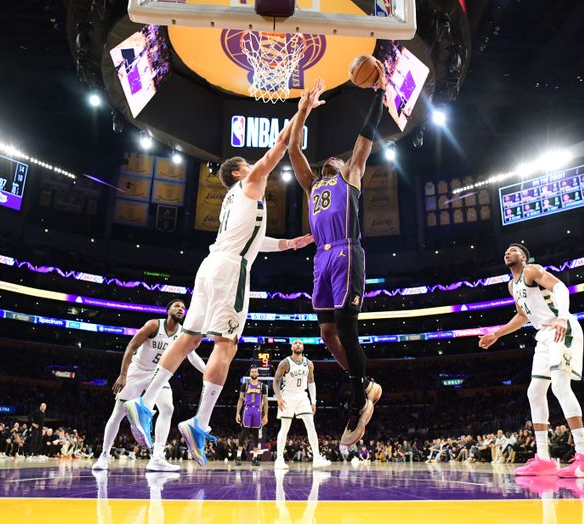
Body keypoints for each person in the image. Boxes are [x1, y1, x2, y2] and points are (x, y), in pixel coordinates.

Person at [123, 85, 321, 466]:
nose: (254, 165)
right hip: (231, 272)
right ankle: (198, 422)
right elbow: (280, 145)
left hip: (211, 265)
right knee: (226, 345)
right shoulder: (249, 183)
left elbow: (255, 241)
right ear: (237, 172)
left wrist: (291, 244)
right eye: (247, 163)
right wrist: (303, 111)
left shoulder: (233, 203)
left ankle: (144, 402)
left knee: (190, 337)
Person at [288, 75, 385, 447]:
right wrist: (302, 111)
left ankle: (358, 402)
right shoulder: (312, 185)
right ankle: (364, 384)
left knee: (347, 330)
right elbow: (294, 149)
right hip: (321, 259)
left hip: (347, 251)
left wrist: (378, 95)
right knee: (326, 334)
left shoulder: (352, 175)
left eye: (338, 158)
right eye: (329, 158)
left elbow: (366, 134)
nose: (335, 158)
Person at [479, 243, 584, 478]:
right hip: (543, 335)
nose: (507, 252)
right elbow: (522, 316)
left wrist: (563, 318)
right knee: (534, 392)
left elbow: (560, 287)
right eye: (505, 250)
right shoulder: (511, 285)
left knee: (559, 386)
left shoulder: (531, 270)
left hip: (560, 328)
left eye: (513, 250)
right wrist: (496, 334)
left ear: (523, 257)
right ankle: (544, 459)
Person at [94, 300, 206, 472]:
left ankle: (157, 457)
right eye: (177, 306)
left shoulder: (183, 334)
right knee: (118, 413)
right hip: (138, 370)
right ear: (168, 310)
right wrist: (123, 374)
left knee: (168, 408)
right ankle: (104, 455)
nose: (180, 309)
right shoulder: (154, 325)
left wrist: (208, 372)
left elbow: (192, 356)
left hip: (158, 374)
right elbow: (131, 346)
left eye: (183, 308)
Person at [273, 340, 330, 470]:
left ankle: (316, 457)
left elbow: (311, 382)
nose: (298, 344)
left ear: (303, 347)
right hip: (288, 395)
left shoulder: (309, 363)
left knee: (311, 425)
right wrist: (279, 398)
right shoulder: (285, 362)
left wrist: (313, 401)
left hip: (302, 396)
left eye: (300, 343)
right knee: (285, 427)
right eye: (295, 343)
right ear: (291, 347)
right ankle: (279, 459)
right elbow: (276, 381)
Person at [235, 367, 268, 466]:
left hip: (257, 410)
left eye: (255, 371)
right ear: (250, 374)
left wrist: (265, 415)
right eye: (252, 371)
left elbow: (265, 402)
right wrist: (237, 413)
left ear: (258, 373)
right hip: (247, 409)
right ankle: (238, 457)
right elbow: (240, 399)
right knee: (244, 433)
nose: (254, 373)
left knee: (256, 434)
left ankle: (255, 458)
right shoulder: (245, 385)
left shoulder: (262, 386)